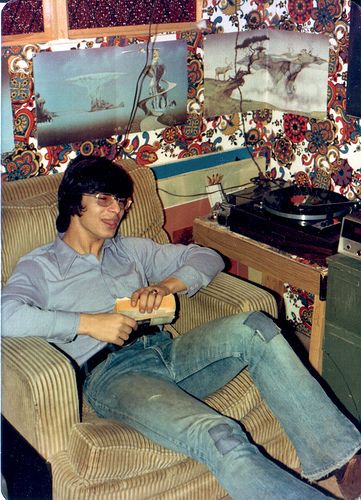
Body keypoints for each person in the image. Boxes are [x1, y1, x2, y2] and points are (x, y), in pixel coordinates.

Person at [2, 155, 361, 499]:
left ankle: (341, 461)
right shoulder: (42, 266)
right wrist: (87, 324)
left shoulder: (129, 250)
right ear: (72, 203)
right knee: (221, 436)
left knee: (256, 326)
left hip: (167, 349)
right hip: (112, 375)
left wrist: (166, 286)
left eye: (122, 201)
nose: (117, 210)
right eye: (103, 199)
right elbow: (6, 314)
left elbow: (206, 256)